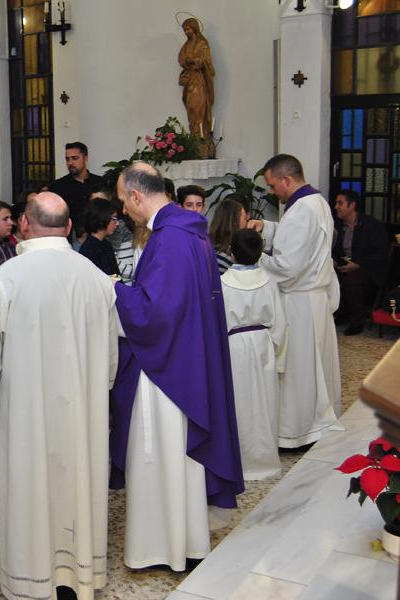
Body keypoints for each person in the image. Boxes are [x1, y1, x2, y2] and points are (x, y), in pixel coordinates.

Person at [0, 192, 118, 600]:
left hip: (24, 410)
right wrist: (99, 391)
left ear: (24, 225)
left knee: (29, 485)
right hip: (83, 408)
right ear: (67, 228)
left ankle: (31, 576)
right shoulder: (97, 279)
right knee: (77, 485)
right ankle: (76, 574)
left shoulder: (6, 278)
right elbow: (112, 356)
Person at [111, 162, 243, 572]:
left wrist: (112, 288)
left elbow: (154, 313)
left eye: (122, 201)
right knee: (181, 460)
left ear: (136, 195)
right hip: (189, 358)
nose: (123, 211)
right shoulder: (190, 232)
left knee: (159, 452)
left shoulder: (168, 239)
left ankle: (160, 546)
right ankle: (186, 537)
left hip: (167, 370)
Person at [252, 154, 341, 446]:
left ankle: (300, 431)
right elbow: (297, 238)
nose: (272, 191)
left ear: (287, 180)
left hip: (300, 302)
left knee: (300, 371)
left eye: (273, 185)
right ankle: (317, 423)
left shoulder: (302, 209)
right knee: (314, 369)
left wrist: (253, 258)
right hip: (312, 299)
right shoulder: (314, 202)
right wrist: (266, 227)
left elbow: (287, 266)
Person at [221, 229, 287, 481]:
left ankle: (241, 461)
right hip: (263, 345)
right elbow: (280, 325)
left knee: (240, 403)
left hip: (234, 346)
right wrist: (278, 357)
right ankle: (265, 461)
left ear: (232, 252)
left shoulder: (222, 283)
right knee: (265, 402)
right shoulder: (269, 281)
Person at [332, 188, 390, 336]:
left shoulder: (371, 225)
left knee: (352, 281)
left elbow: (381, 253)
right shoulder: (337, 225)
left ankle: (357, 321)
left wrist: (358, 265)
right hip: (346, 265)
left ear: (352, 206)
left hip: (369, 268)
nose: (336, 206)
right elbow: (333, 248)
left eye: (340, 203)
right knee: (329, 276)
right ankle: (342, 313)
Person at [49, 142, 105, 235]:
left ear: (85, 158)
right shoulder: (58, 186)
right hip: (69, 239)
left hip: (97, 236)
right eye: (67, 159)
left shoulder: (100, 182)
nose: (70, 163)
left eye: (75, 158)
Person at [178, 17, 215, 157]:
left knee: (199, 107)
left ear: (194, 28)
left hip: (200, 80)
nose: (186, 32)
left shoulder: (202, 43)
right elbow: (181, 58)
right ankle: (194, 137)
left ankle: (202, 137)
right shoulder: (186, 45)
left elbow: (205, 60)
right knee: (191, 108)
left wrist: (195, 61)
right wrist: (188, 62)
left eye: (188, 29)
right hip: (190, 80)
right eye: (184, 30)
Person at [78, 198, 121, 276]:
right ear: (102, 218)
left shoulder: (106, 244)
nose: (117, 223)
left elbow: (115, 275)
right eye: (114, 219)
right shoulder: (89, 251)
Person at [208, 196, 249, 274]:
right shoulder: (224, 258)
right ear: (234, 222)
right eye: (244, 218)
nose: (247, 221)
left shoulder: (211, 249)